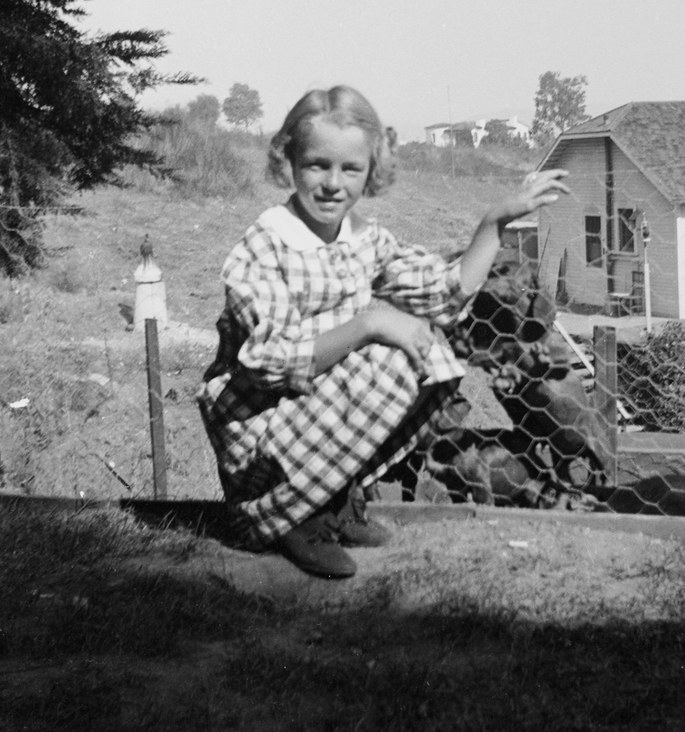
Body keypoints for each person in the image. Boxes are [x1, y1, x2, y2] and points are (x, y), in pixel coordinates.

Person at [197, 85, 569, 579]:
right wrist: (371, 322)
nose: (333, 184)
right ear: (289, 161)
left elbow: (441, 292)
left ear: (370, 172)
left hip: (307, 418)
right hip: (258, 429)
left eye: (350, 169)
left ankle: (330, 503)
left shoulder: (361, 240)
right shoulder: (266, 245)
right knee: (389, 350)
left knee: (424, 349)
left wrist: (495, 220)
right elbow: (269, 364)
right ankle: (288, 518)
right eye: (316, 165)